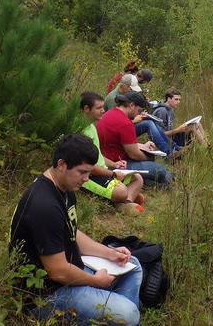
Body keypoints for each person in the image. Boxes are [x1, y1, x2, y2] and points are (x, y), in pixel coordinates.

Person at [9, 134, 143, 325]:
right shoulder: (44, 205)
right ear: (62, 164)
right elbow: (58, 271)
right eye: (82, 172)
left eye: (89, 172)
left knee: (133, 265)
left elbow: (72, 233)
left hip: (70, 269)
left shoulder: (64, 188)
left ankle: (111, 311)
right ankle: (117, 313)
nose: (87, 179)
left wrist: (110, 253)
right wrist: (96, 281)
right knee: (129, 315)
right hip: (46, 294)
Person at [80, 91, 145, 215]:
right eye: (99, 108)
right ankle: (123, 199)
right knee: (121, 191)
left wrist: (115, 165)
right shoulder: (81, 132)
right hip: (89, 176)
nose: (103, 111)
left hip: (103, 171)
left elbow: (99, 155)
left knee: (137, 178)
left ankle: (125, 202)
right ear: (86, 109)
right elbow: (89, 167)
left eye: (103, 107)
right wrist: (113, 174)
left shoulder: (92, 126)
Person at [96, 92, 173, 188]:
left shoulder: (110, 113)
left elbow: (121, 143)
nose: (138, 114)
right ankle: (161, 182)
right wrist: (150, 156)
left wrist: (143, 146)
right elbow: (134, 154)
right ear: (131, 105)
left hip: (105, 159)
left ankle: (153, 182)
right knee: (160, 169)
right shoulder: (125, 123)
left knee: (156, 168)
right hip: (116, 165)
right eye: (139, 110)